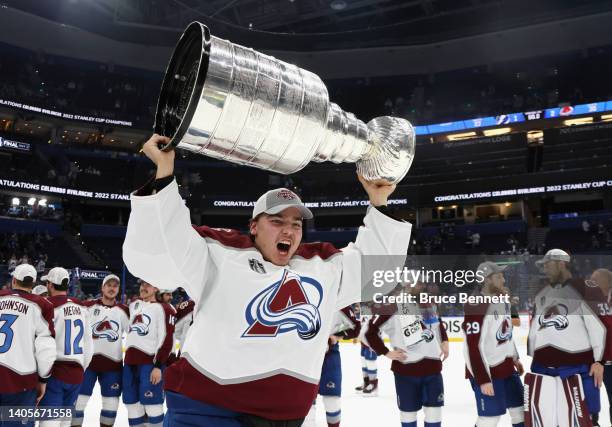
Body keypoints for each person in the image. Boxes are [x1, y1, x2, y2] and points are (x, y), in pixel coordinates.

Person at [122, 134, 412, 426]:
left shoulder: (321, 265)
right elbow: (158, 254)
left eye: (296, 224)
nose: (289, 231)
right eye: (277, 221)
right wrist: (164, 174)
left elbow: (375, 274)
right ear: (253, 226)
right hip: (207, 409)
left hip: (284, 417)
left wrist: (379, 201)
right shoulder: (220, 252)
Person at [525, 249, 605, 426]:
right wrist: (532, 354)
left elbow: (599, 327)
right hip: (544, 368)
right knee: (547, 420)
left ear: (562, 264)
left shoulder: (586, 288)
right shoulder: (542, 291)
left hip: (578, 367)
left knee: (586, 419)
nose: (544, 269)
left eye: (548, 264)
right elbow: (536, 326)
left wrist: (599, 361)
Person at [367, 282, 449, 427]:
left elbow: (438, 323)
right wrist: (386, 352)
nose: (422, 286)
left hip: (433, 369)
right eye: (418, 283)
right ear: (407, 284)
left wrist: (444, 340)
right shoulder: (392, 306)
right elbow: (369, 332)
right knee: (408, 415)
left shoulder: (428, 302)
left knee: (435, 413)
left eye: (422, 283)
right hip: (406, 371)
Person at [462, 262, 524, 427]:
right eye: (498, 276)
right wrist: (483, 379)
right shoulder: (476, 304)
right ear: (487, 280)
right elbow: (472, 346)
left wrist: (515, 358)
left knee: (521, 412)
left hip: (507, 367)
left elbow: (507, 333)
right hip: (487, 370)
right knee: (490, 419)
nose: (503, 280)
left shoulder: (502, 300)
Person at [0, 264, 56, 427]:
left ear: (14, 280)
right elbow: (46, 350)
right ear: (32, 284)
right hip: (21, 380)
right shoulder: (42, 305)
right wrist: (43, 380)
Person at [72, 274, 129, 427]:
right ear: (102, 287)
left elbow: (136, 334)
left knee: (110, 406)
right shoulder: (87, 306)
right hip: (87, 364)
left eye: (115, 286)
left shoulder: (124, 311)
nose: (112, 288)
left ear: (118, 290)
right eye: (109, 285)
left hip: (113, 366)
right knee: (78, 403)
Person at [39, 267, 93, 427]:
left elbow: (42, 344)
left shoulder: (46, 305)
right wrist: (81, 368)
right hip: (76, 373)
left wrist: (41, 375)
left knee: (49, 422)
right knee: (65, 422)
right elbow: (89, 344)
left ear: (50, 285)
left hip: (54, 372)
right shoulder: (81, 306)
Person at [123, 279, 176, 427]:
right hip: (129, 363)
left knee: (153, 406)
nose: (143, 287)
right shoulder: (134, 305)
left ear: (156, 288)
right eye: (141, 284)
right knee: (132, 406)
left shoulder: (165, 308)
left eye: (148, 285)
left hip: (150, 364)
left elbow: (167, 339)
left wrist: (158, 366)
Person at [315, 306, 361, 427]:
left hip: (329, 355)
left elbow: (357, 327)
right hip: (305, 356)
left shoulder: (341, 303)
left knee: (332, 400)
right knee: (306, 402)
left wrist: (337, 337)